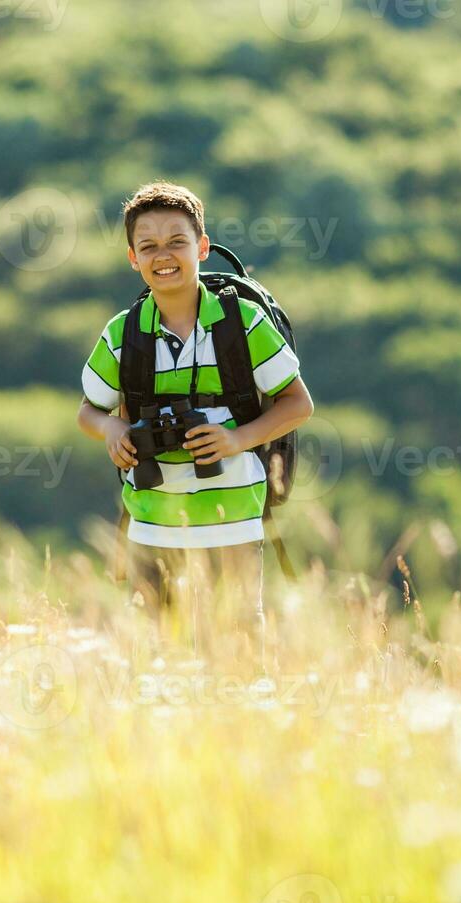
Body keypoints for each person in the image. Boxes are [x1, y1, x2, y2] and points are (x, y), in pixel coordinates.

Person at [76, 180, 314, 666]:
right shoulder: (123, 333)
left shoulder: (241, 323)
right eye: (149, 246)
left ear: (202, 247)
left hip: (233, 519)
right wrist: (113, 430)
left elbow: (297, 403)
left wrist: (235, 440)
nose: (164, 255)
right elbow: (88, 410)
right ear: (132, 258)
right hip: (150, 521)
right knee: (152, 657)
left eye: (177, 242)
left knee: (239, 652)